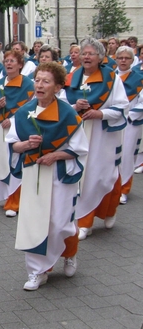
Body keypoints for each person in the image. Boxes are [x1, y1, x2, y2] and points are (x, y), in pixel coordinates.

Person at [6, 63, 88, 290]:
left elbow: (79, 148)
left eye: (46, 81)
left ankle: (69, 253)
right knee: (35, 222)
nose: (40, 85)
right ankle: (37, 271)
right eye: (38, 80)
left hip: (60, 175)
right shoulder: (24, 112)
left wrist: (55, 156)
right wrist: (26, 145)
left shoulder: (68, 114)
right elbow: (13, 146)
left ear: (58, 87)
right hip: (34, 175)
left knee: (61, 223)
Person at [63, 38, 128, 240]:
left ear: (100, 57)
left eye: (91, 53)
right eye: (84, 53)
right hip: (79, 132)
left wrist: (100, 114)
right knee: (84, 175)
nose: (86, 57)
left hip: (102, 135)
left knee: (103, 175)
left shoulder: (111, 78)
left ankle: (109, 211)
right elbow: (62, 103)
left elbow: (121, 107)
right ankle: (85, 220)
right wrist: (75, 107)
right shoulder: (73, 77)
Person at [0, 49, 34, 217]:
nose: (8, 63)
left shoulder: (28, 84)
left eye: (13, 61)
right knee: (1, 160)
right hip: (0, 128)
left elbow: (32, 109)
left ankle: (16, 200)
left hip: (19, 128)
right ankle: (7, 196)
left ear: (20, 65)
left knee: (15, 160)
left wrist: (12, 120)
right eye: (6, 60)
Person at [114, 46, 143, 204]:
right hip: (113, 122)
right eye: (120, 58)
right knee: (112, 156)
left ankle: (124, 189)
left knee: (126, 156)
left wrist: (129, 116)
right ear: (116, 59)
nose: (123, 60)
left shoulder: (139, 79)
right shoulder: (111, 77)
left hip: (131, 122)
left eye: (127, 58)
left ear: (133, 60)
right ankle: (112, 188)